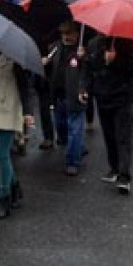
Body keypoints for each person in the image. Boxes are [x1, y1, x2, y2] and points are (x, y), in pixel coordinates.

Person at [82, 35, 133, 194]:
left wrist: (116, 61)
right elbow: (88, 69)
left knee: (123, 136)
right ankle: (114, 168)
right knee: (109, 135)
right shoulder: (93, 43)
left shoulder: (129, 43)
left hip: (123, 96)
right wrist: (84, 88)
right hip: (102, 96)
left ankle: (124, 176)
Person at [0, 46, 34, 219]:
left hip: (8, 110)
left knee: (1, 154)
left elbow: (24, 87)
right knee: (0, 154)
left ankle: (4, 198)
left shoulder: (14, 58)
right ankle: (15, 186)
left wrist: (28, 112)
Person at [47, 21, 88, 176]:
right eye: (64, 33)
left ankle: (72, 162)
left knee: (75, 129)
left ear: (77, 34)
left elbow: (88, 72)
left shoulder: (82, 50)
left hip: (75, 95)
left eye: (69, 33)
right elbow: (50, 66)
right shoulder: (55, 47)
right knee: (62, 127)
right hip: (58, 95)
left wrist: (83, 58)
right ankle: (79, 148)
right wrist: (45, 63)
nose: (66, 37)